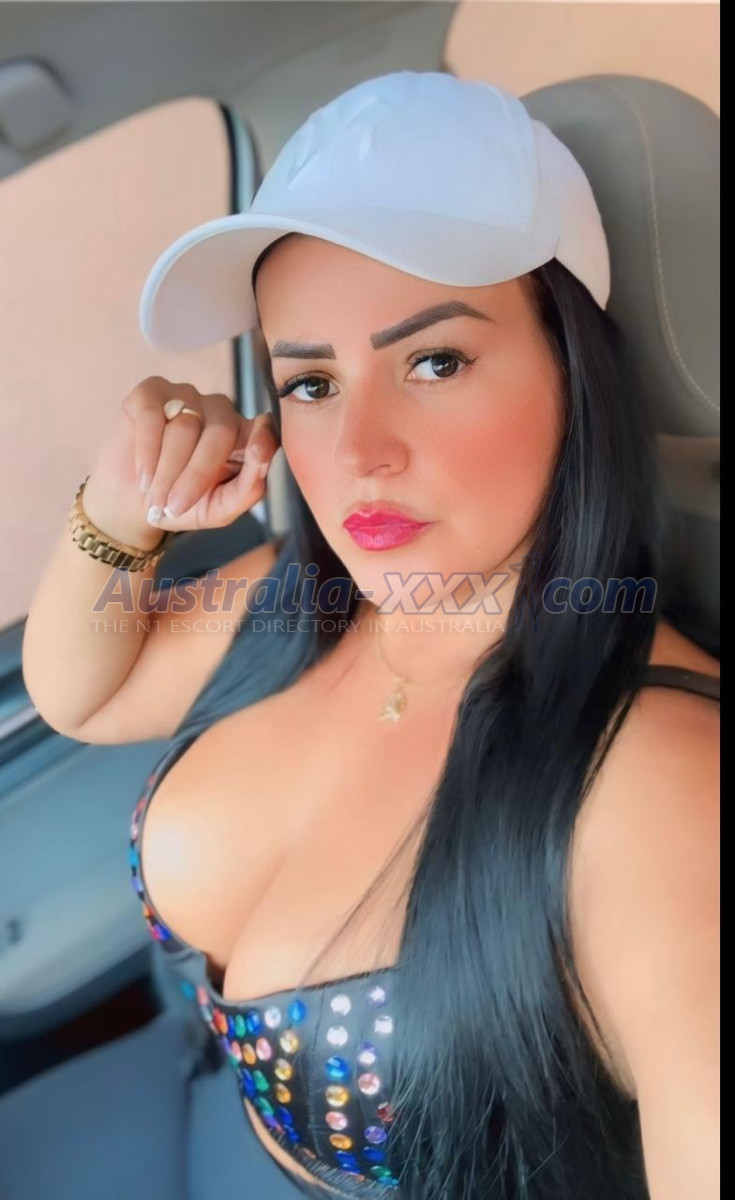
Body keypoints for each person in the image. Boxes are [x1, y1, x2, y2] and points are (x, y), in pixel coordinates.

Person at [15, 71, 719, 1200]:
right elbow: (79, 694)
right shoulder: (295, 602)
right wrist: (119, 507)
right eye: (310, 382)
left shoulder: (661, 789)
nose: (357, 450)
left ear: (576, 370)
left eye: (434, 362)